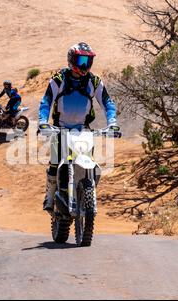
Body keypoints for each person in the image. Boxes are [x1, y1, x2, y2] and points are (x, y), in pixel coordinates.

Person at [38, 42, 119, 212]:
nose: (85, 65)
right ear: (71, 59)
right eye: (81, 60)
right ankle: (50, 196)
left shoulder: (94, 82)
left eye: (88, 61)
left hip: (83, 130)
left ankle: (86, 195)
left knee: (90, 160)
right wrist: (42, 121)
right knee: (54, 163)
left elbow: (107, 102)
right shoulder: (59, 80)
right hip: (60, 129)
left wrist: (112, 122)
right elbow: (46, 101)